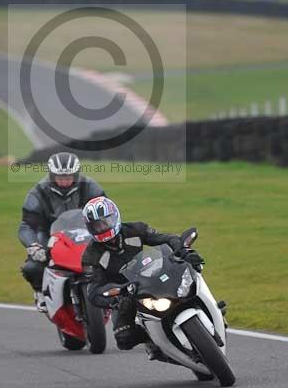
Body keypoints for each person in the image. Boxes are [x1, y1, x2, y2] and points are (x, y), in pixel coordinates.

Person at [81, 196, 204, 358]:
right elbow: (94, 291)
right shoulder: (90, 255)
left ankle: (208, 305)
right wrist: (116, 298)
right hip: (127, 294)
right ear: (90, 228)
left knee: (190, 268)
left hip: (153, 275)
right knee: (124, 339)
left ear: (115, 216)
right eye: (97, 225)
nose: (102, 227)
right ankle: (155, 342)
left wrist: (183, 251)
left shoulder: (135, 229)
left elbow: (166, 239)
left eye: (106, 221)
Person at [19, 152, 105, 311]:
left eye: (68, 177)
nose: (64, 181)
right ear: (52, 175)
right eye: (60, 177)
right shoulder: (38, 192)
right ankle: (40, 292)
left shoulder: (90, 186)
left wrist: (105, 232)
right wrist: (33, 246)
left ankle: (113, 292)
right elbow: (26, 226)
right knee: (33, 267)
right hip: (50, 234)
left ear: (76, 174)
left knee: (111, 257)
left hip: (86, 231)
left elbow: (105, 213)